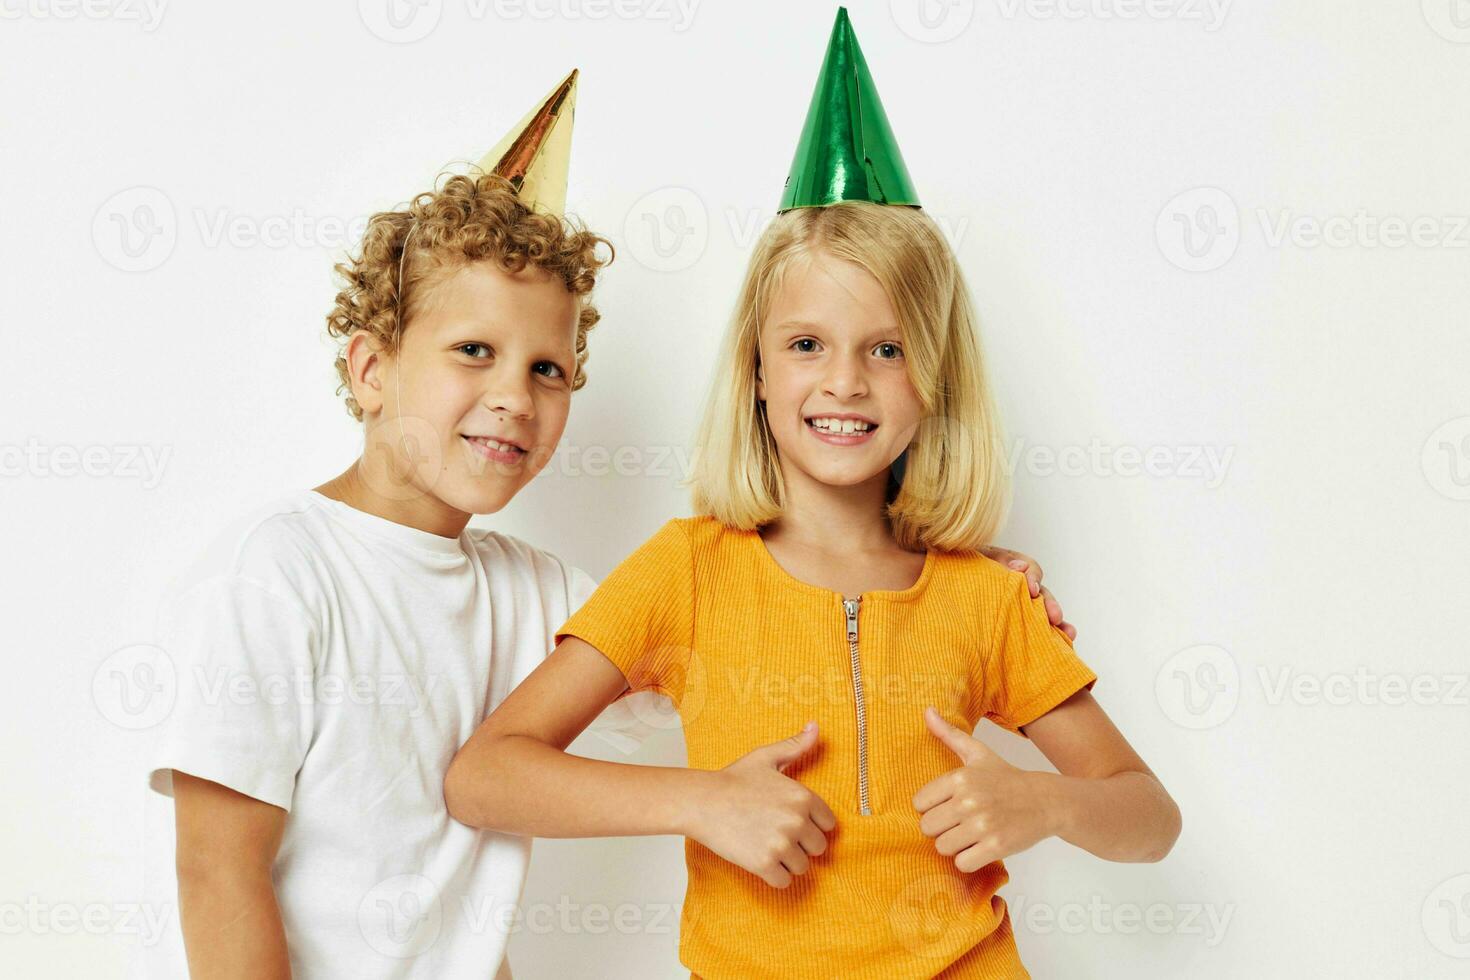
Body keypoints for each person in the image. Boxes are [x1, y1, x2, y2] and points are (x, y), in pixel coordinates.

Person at [444, 11, 1181, 979]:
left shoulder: (989, 597)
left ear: (937, 378)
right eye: (806, 345)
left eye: (887, 347)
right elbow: (486, 774)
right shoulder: (687, 570)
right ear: (754, 369)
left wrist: (1049, 805)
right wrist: (699, 798)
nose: (845, 381)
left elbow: (1149, 816)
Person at [146, 71, 624, 979]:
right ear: (371, 370)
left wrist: (947, 563)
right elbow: (217, 870)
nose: (514, 399)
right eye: (473, 351)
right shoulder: (277, 571)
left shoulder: (542, 593)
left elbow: (733, 636)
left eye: (549, 369)